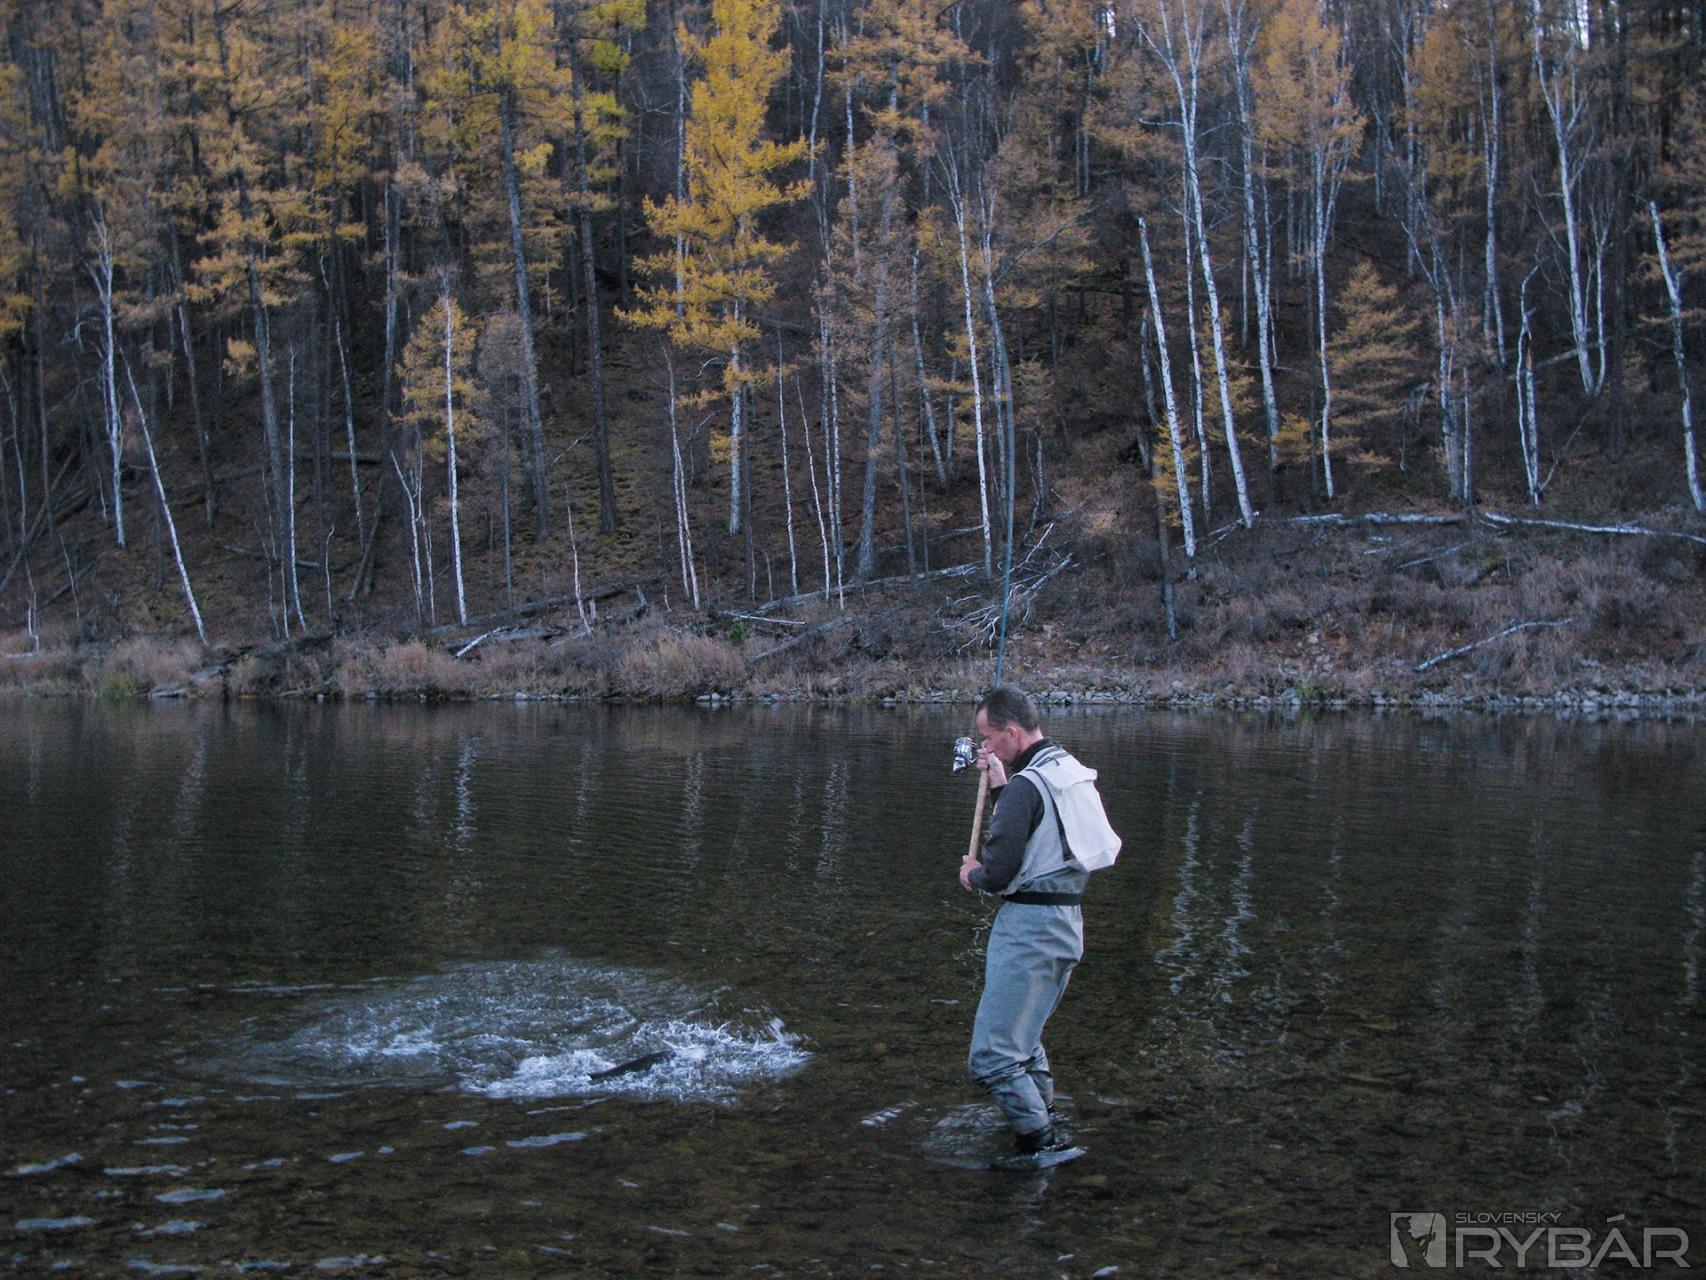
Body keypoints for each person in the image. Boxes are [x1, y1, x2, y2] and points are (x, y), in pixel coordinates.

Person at [958, 685, 1101, 1167]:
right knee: (1023, 1039)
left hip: (1030, 930)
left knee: (992, 1057)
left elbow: (999, 872)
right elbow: (1042, 831)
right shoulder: (1067, 769)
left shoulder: (1026, 787)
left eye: (989, 737)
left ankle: (1040, 1145)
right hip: (1066, 924)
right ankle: (1045, 1118)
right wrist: (1003, 785)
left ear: (1013, 732)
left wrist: (972, 874)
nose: (985, 747)